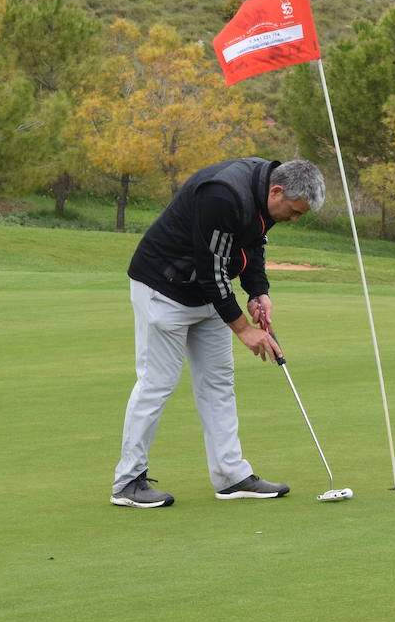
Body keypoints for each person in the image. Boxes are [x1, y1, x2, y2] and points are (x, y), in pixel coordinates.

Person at [110, 157, 326, 508]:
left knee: (218, 382)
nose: (294, 219)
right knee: (157, 382)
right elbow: (210, 269)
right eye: (294, 211)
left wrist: (259, 292)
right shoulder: (222, 194)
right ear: (277, 190)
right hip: (163, 287)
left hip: (206, 293)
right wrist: (243, 328)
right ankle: (128, 481)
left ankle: (231, 476)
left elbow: (253, 242)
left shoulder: (263, 190)